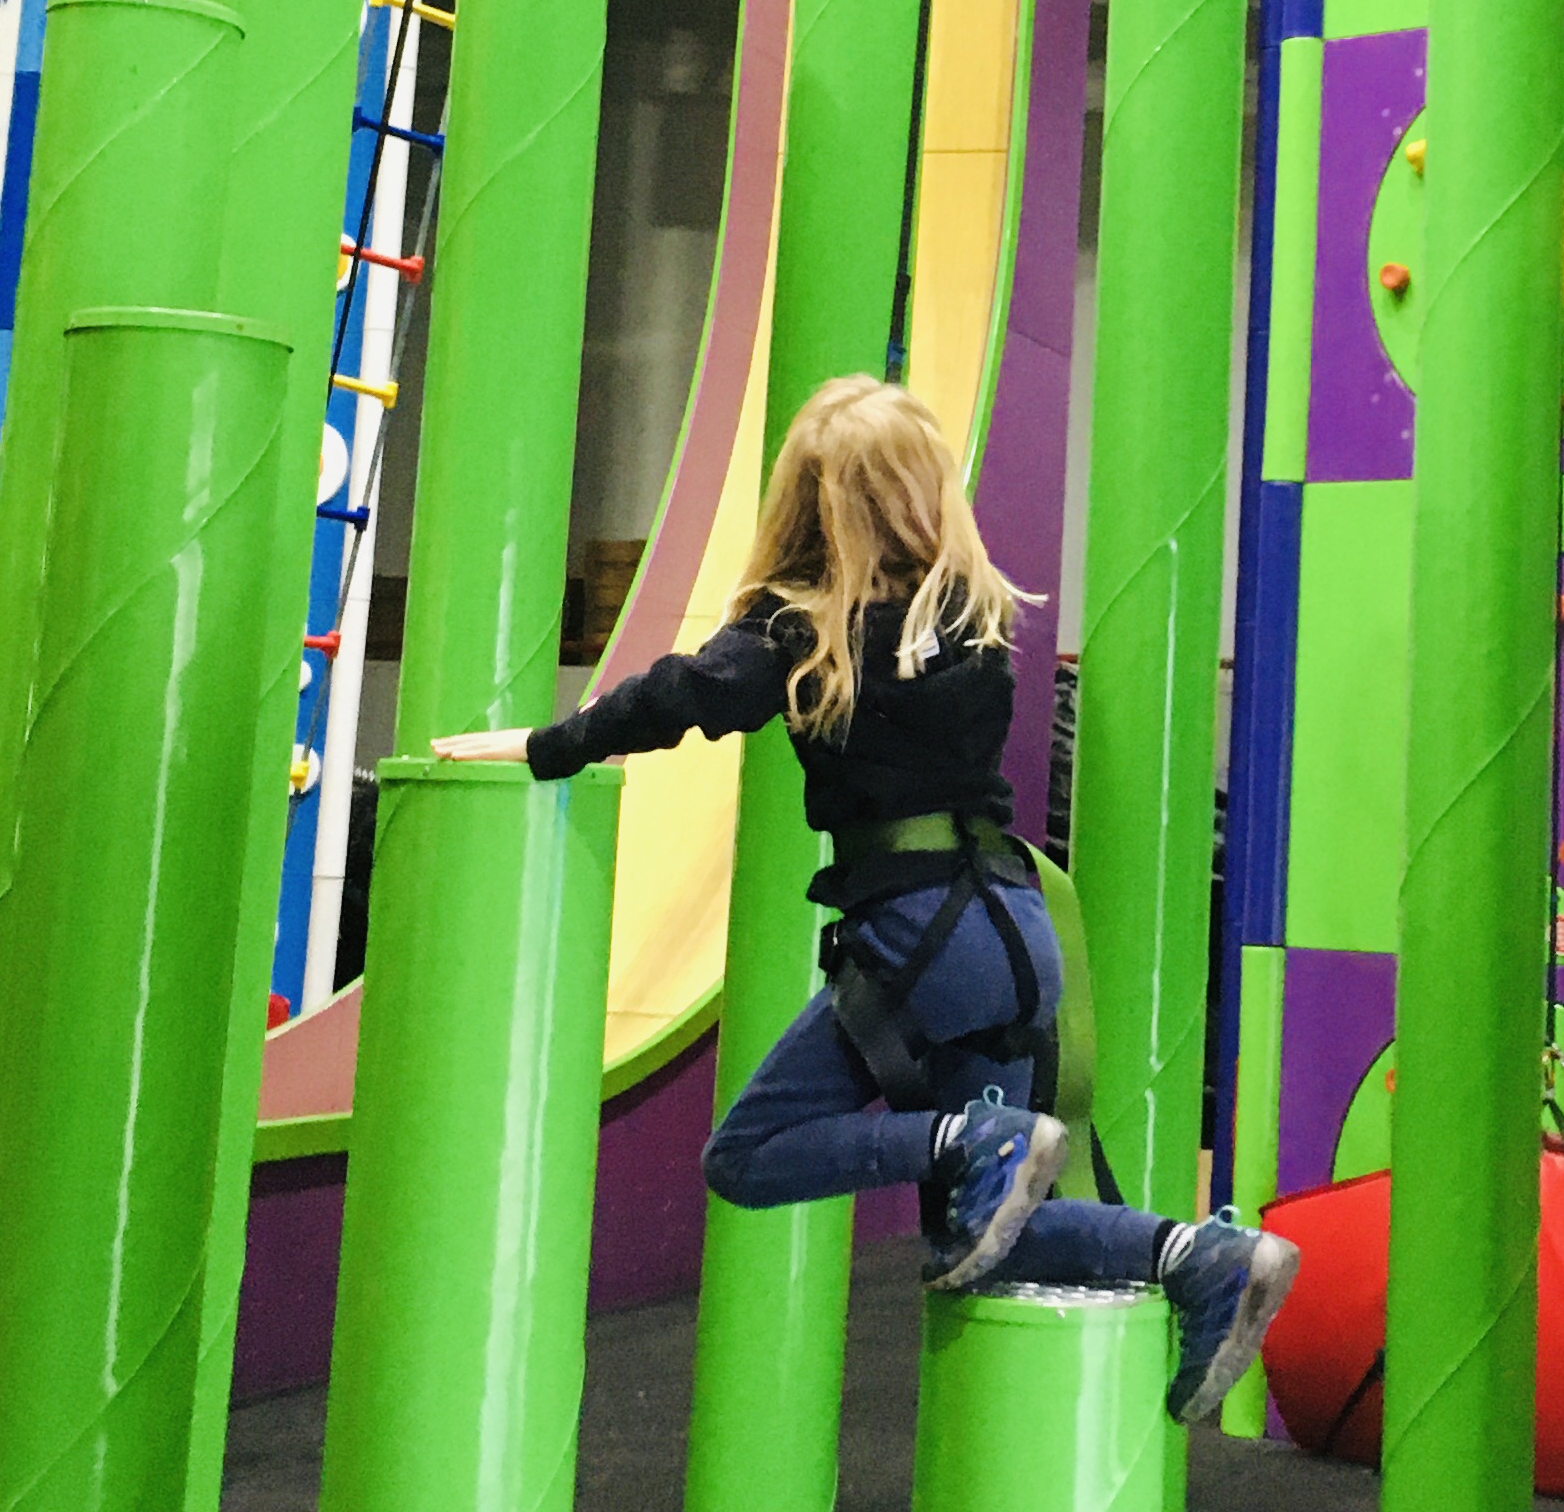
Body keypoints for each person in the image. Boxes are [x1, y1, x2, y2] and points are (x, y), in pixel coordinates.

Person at [434, 372, 1295, 1423]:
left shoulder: (806, 633)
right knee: (988, 1235)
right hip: (1016, 929)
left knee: (747, 1154)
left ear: (808, 502)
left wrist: (544, 746)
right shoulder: (973, 612)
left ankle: (964, 1139)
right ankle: (1200, 1253)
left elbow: (683, 696)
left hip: (921, 942)